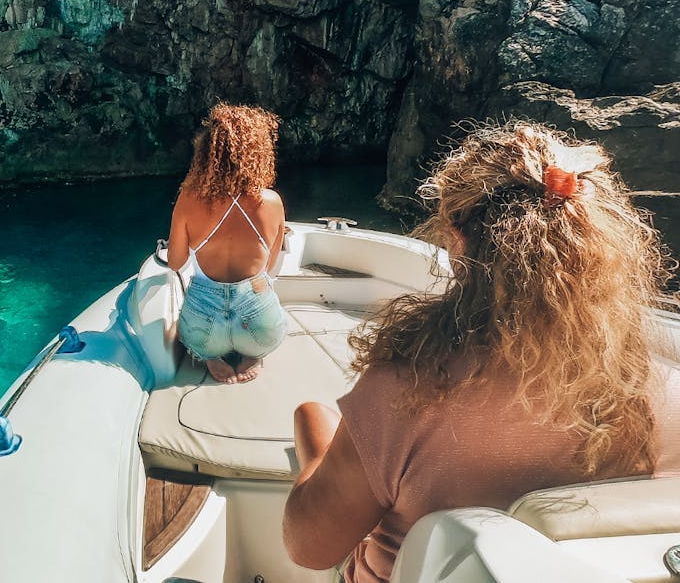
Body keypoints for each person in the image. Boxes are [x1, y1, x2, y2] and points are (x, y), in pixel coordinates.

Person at [282, 121, 680, 582]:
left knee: (311, 415)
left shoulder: (408, 392)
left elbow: (309, 547)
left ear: (458, 238)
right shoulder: (665, 391)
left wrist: (318, 453)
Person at [167, 103, 288, 384]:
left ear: (207, 153)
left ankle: (212, 356)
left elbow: (175, 263)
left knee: (192, 333)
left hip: (204, 332)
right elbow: (269, 267)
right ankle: (253, 353)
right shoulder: (272, 202)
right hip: (259, 328)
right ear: (259, 152)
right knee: (269, 311)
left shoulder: (189, 200)